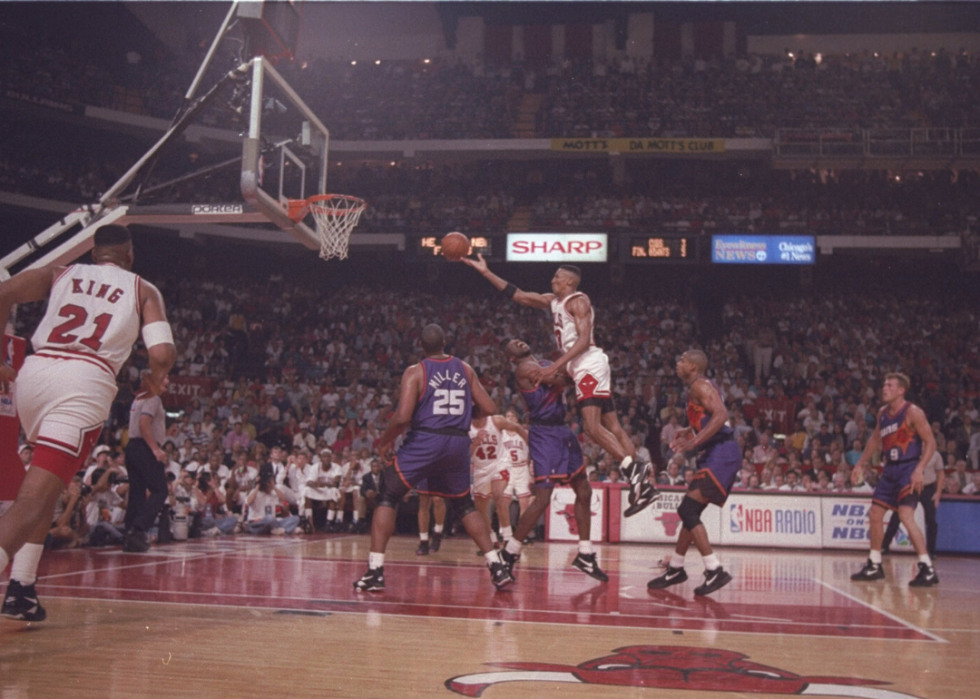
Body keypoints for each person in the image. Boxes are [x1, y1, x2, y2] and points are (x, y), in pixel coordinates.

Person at [0, 224, 175, 622]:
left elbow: (3, 291)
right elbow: (162, 352)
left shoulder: (60, 273)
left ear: (94, 254)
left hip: (34, 374)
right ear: (129, 256)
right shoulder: (142, 289)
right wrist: (155, 378)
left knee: (44, 486)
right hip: (83, 381)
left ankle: (22, 589)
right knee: (32, 499)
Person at [464, 256, 657, 517]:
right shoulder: (553, 301)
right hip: (580, 366)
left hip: (588, 362)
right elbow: (519, 295)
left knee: (591, 426)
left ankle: (632, 468)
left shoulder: (578, 301)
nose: (552, 279)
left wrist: (554, 368)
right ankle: (641, 483)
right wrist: (487, 272)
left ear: (568, 282)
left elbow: (583, 341)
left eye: (557, 277)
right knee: (612, 425)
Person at [353, 324, 512, 592]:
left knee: (388, 495)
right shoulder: (465, 368)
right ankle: (497, 567)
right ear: (445, 343)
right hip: (458, 441)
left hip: (427, 439)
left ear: (421, 346)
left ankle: (375, 571)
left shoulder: (416, 371)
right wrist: (460, 416)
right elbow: (490, 408)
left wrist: (385, 440)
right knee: (463, 504)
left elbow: (403, 417)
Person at [499, 339, 608, 582]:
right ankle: (509, 552)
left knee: (584, 490)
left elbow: (567, 379)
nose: (517, 341)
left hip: (562, 431)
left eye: (518, 340)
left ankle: (585, 553)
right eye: (512, 346)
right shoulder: (524, 369)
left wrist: (563, 374)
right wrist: (563, 374)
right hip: (544, 433)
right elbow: (564, 379)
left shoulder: (545, 363)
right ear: (512, 358)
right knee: (543, 499)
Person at [647, 350, 740, 597]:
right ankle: (676, 567)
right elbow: (710, 417)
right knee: (691, 511)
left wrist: (695, 440)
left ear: (693, 366)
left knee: (687, 510)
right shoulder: (697, 388)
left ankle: (714, 569)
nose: (677, 364)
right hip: (716, 454)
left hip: (721, 454)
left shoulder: (700, 385)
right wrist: (690, 430)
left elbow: (721, 415)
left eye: (681, 361)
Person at [850, 373, 939, 586]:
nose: (884, 388)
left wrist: (919, 469)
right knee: (875, 513)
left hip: (908, 468)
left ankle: (926, 567)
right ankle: (874, 563)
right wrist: (860, 462)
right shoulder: (882, 413)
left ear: (901, 390)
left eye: (889, 385)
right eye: (883, 384)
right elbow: (875, 439)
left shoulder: (912, 412)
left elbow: (931, 443)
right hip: (890, 470)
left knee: (906, 516)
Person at [122, 372, 171, 552]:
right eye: (165, 377)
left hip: (132, 447)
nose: (168, 381)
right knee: (160, 490)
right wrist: (155, 449)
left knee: (137, 493)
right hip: (144, 447)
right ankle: (138, 528)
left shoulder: (139, 398)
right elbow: (144, 423)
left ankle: (129, 535)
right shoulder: (154, 398)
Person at [469, 410, 528, 549]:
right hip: (480, 469)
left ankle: (507, 537)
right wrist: (476, 442)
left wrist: (530, 444)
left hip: (500, 463)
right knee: (481, 509)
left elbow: (518, 427)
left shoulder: (496, 421)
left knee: (497, 493)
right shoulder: (466, 427)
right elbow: (466, 453)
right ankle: (492, 538)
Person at [882, 449, 944, 557]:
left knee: (931, 519)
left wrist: (938, 493)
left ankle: (931, 551)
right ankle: (884, 545)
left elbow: (941, 474)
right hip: (909, 486)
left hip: (927, 488)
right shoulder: (909, 451)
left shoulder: (935, 454)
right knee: (897, 514)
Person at [500, 407, 533, 524]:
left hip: (522, 468)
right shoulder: (500, 434)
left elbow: (532, 451)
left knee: (524, 502)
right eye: (508, 416)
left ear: (517, 419)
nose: (510, 418)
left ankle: (521, 533)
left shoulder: (524, 433)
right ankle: (503, 532)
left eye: (512, 416)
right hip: (506, 468)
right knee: (504, 502)